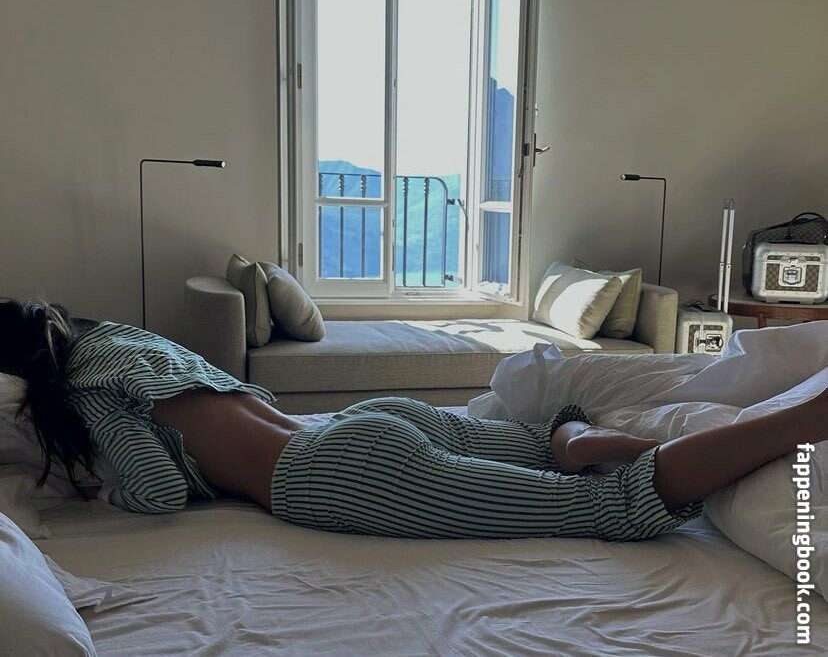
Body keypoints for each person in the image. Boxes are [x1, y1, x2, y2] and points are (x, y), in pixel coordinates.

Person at [1, 298, 825, 541]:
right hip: (364, 424)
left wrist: (105, 484)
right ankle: (568, 439)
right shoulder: (128, 339)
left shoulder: (86, 385)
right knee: (541, 445)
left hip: (331, 474)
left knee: (613, 508)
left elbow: (154, 490)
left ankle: (803, 421)